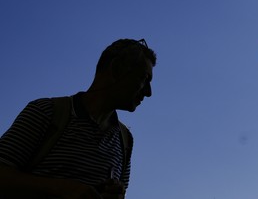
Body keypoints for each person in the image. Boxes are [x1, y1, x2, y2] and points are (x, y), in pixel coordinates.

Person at [0, 38, 157, 199]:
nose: (149, 92)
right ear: (116, 69)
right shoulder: (46, 111)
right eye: (144, 79)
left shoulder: (125, 141)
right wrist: (60, 189)